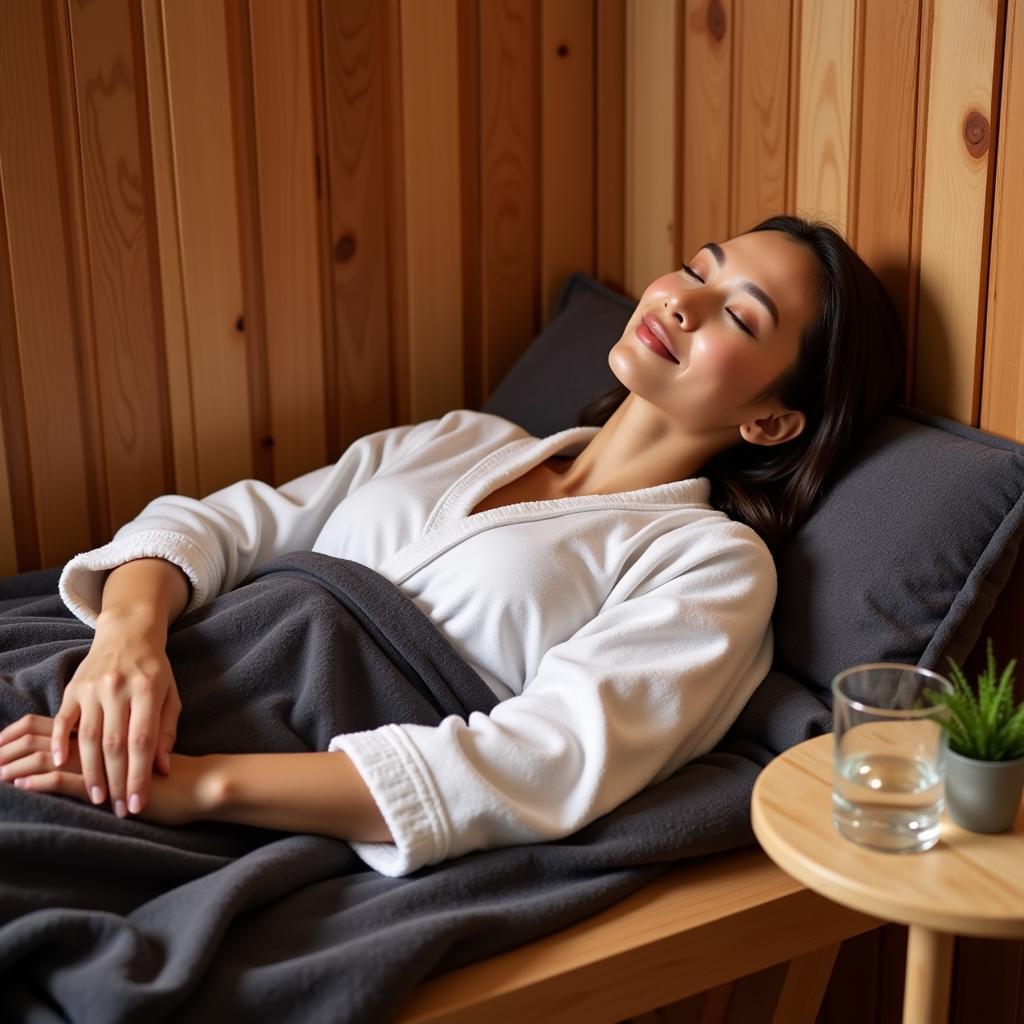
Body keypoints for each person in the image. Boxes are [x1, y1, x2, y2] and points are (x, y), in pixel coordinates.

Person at [0, 214, 905, 877]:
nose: (680, 301)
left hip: (202, 782)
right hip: (105, 684)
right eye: (693, 268)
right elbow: (227, 524)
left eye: (739, 317)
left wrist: (196, 787)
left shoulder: (711, 564)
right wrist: (125, 641)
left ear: (774, 419)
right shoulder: (466, 438)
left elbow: (537, 762)